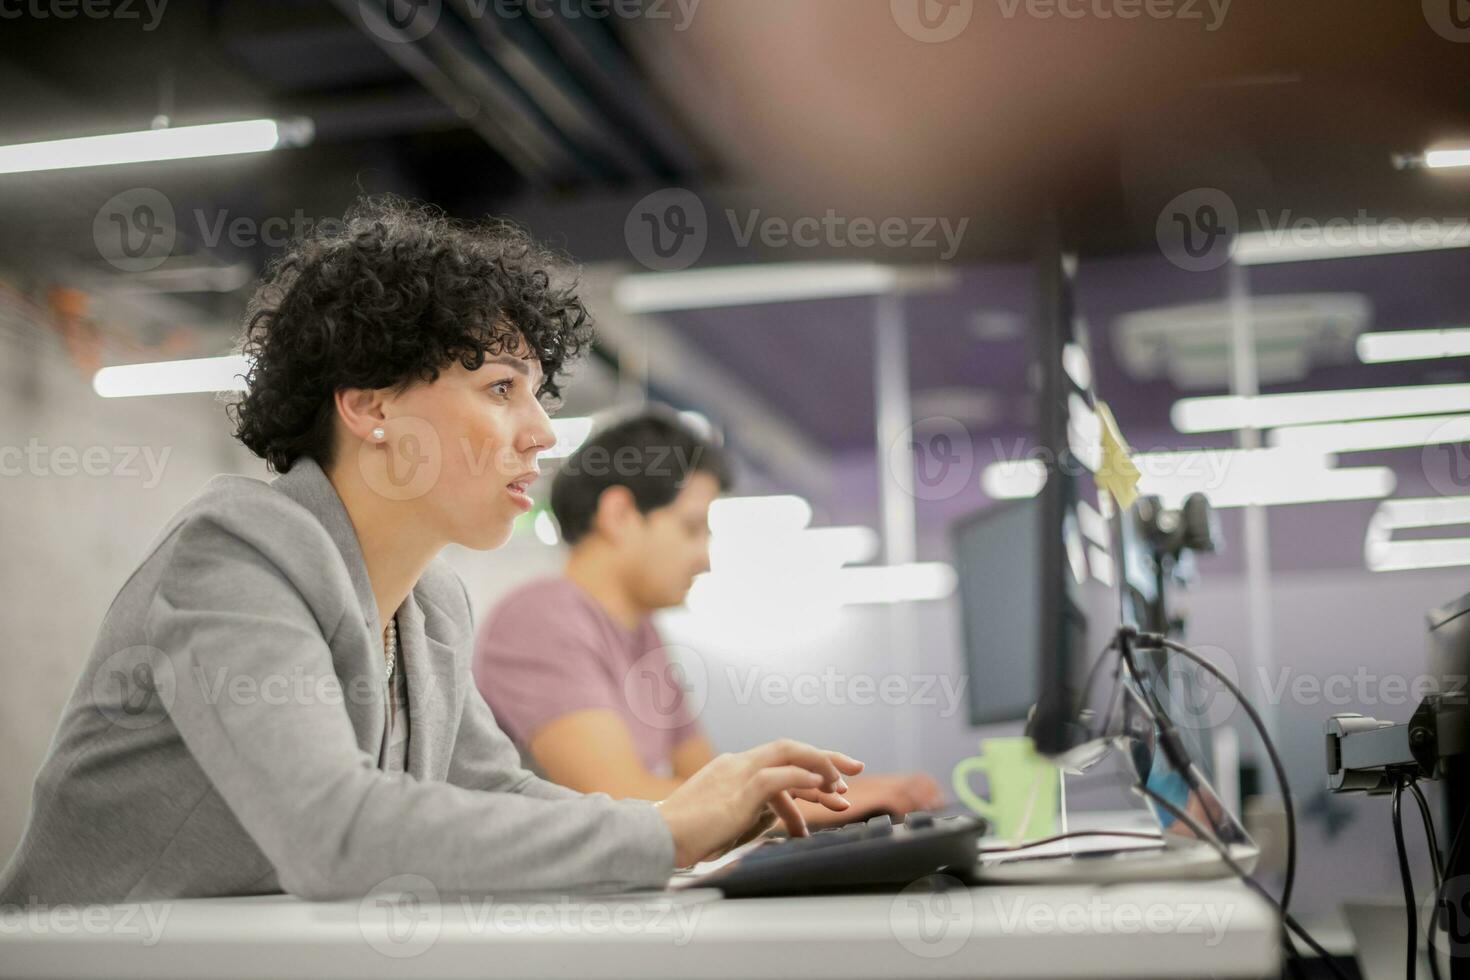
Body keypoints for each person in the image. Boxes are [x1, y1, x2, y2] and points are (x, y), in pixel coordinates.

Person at [0, 198, 861, 906]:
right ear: (371, 408)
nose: (540, 432)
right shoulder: (229, 561)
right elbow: (332, 835)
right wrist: (664, 831)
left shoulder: (431, 604)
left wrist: (704, 817)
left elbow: (494, 791)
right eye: (499, 389)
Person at [473, 412, 943, 826]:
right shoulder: (539, 620)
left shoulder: (643, 635)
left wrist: (835, 799)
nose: (705, 559)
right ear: (619, 515)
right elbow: (617, 799)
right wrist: (842, 804)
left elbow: (703, 781)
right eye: (691, 528)